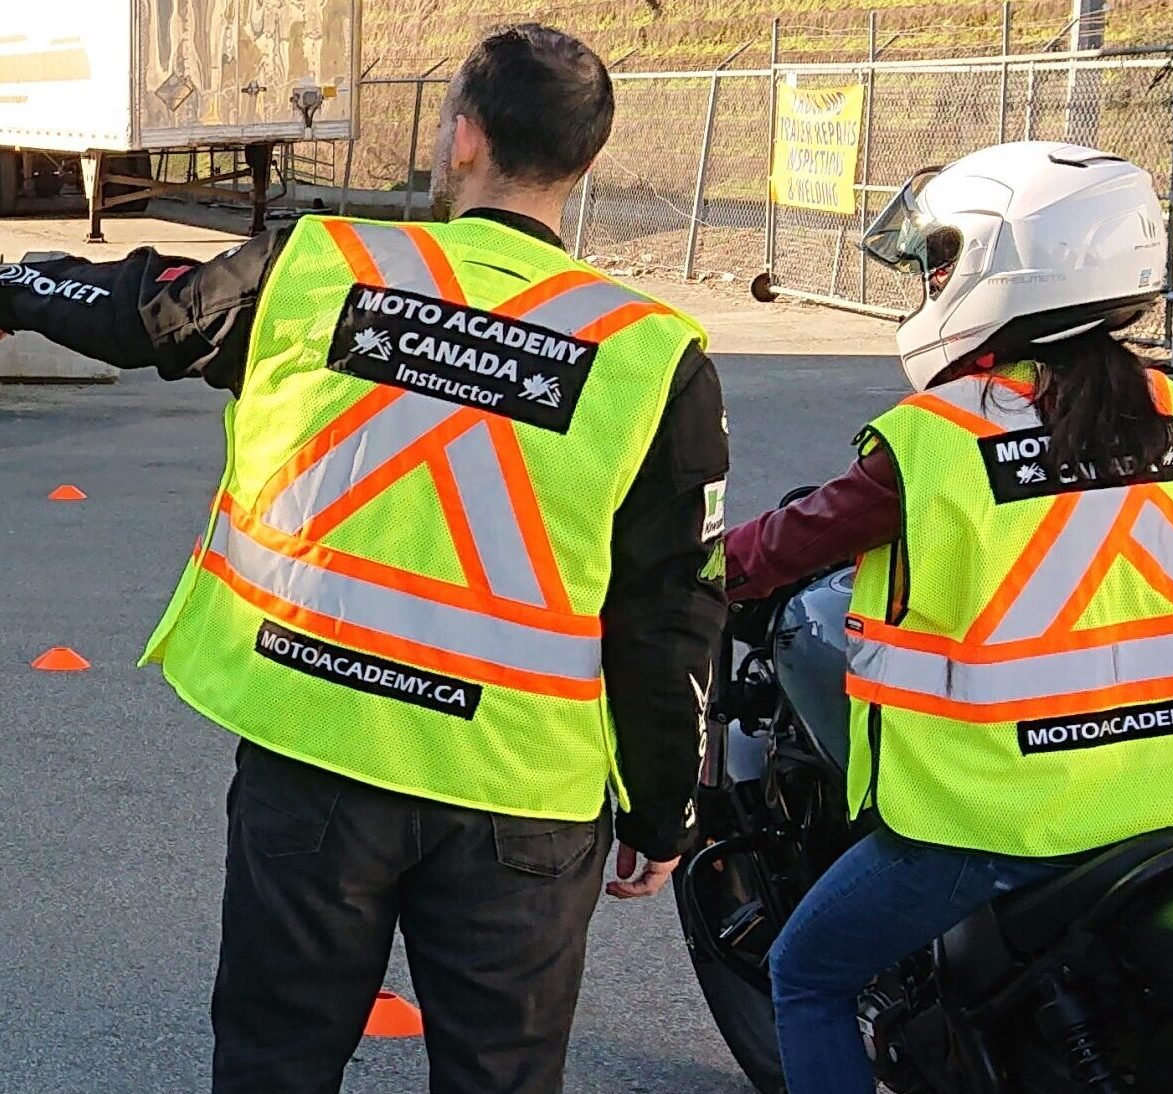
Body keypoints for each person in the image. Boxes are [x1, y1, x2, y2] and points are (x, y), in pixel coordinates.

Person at [0, 24, 728, 1094]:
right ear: (583, 161)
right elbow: (672, 619)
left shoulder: (325, 268)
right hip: (520, 790)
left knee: (276, 1061)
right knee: (502, 1076)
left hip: (319, 751)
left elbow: (143, 311)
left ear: (462, 138)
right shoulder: (652, 353)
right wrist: (669, 810)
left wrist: (16, 276)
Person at [723, 142, 1173, 1094]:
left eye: (939, 261)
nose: (928, 281)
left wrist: (691, 569)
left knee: (807, 974)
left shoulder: (940, 439)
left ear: (1000, 267)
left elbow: (790, 543)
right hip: (1159, 791)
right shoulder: (1167, 409)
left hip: (992, 820)